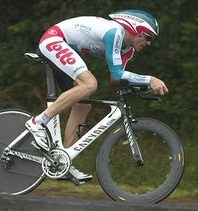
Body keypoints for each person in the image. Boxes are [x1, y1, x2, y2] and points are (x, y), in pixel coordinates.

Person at [25, 10, 169, 181]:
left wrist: (144, 85)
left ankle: (63, 163)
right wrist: (149, 79)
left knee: (83, 105)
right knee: (89, 84)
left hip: (67, 49)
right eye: (147, 37)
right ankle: (37, 123)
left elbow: (116, 80)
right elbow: (117, 75)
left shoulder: (127, 51)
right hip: (55, 40)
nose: (149, 43)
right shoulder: (115, 32)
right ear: (135, 29)